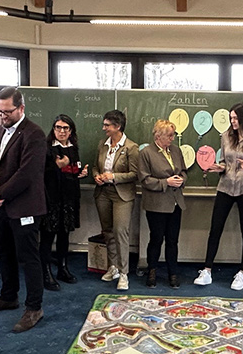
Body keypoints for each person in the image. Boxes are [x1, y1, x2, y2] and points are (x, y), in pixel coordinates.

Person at [0, 87, 48, 333]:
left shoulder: (35, 134)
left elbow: (27, 174)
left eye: (7, 112)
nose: (3, 116)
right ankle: (8, 297)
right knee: (4, 251)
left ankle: (34, 308)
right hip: (2, 206)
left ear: (21, 108)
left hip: (25, 207)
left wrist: (0, 194)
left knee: (29, 258)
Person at [194, 102, 243, 291]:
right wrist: (220, 167)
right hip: (225, 186)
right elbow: (225, 162)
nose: (232, 121)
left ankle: (242, 273)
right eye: (231, 117)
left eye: (235, 118)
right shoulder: (226, 136)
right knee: (215, 228)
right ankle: (207, 270)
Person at [93, 109, 140, 291]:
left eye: (107, 125)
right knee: (108, 231)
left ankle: (124, 273)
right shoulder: (102, 145)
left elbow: (134, 174)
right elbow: (96, 167)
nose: (104, 128)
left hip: (122, 195)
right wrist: (97, 176)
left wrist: (113, 176)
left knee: (121, 231)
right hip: (102, 193)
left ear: (117, 127)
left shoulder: (131, 147)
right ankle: (112, 267)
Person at [41, 114, 88, 290]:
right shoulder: (46, 148)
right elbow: (41, 172)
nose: (62, 131)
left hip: (69, 198)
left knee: (64, 235)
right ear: (53, 130)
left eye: (65, 128)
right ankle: (45, 272)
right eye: (58, 128)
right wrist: (57, 166)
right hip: (51, 199)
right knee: (47, 236)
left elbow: (71, 170)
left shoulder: (73, 148)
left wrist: (79, 174)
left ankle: (62, 268)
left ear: (71, 131)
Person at [139, 119, 187, 288]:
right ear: (158, 136)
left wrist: (181, 180)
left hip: (175, 203)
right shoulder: (146, 152)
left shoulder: (176, 150)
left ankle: (172, 273)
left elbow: (183, 171)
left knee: (173, 241)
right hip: (156, 204)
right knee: (156, 239)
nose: (172, 139)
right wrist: (166, 182)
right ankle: (152, 271)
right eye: (169, 135)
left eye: (173, 135)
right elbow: (145, 180)